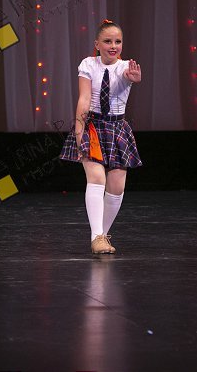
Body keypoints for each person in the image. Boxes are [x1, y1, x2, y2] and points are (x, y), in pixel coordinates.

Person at [60, 20, 142, 255]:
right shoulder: (89, 64)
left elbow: (125, 78)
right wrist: (79, 131)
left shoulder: (126, 67)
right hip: (93, 126)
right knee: (96, 178)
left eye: (118, 41)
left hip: (116, 128)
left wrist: (132, 78)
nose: (113, 46)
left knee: (117, 186)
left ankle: (102, 235)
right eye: (107, 41)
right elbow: (84, 98)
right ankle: (97, 236)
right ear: (97, 44)